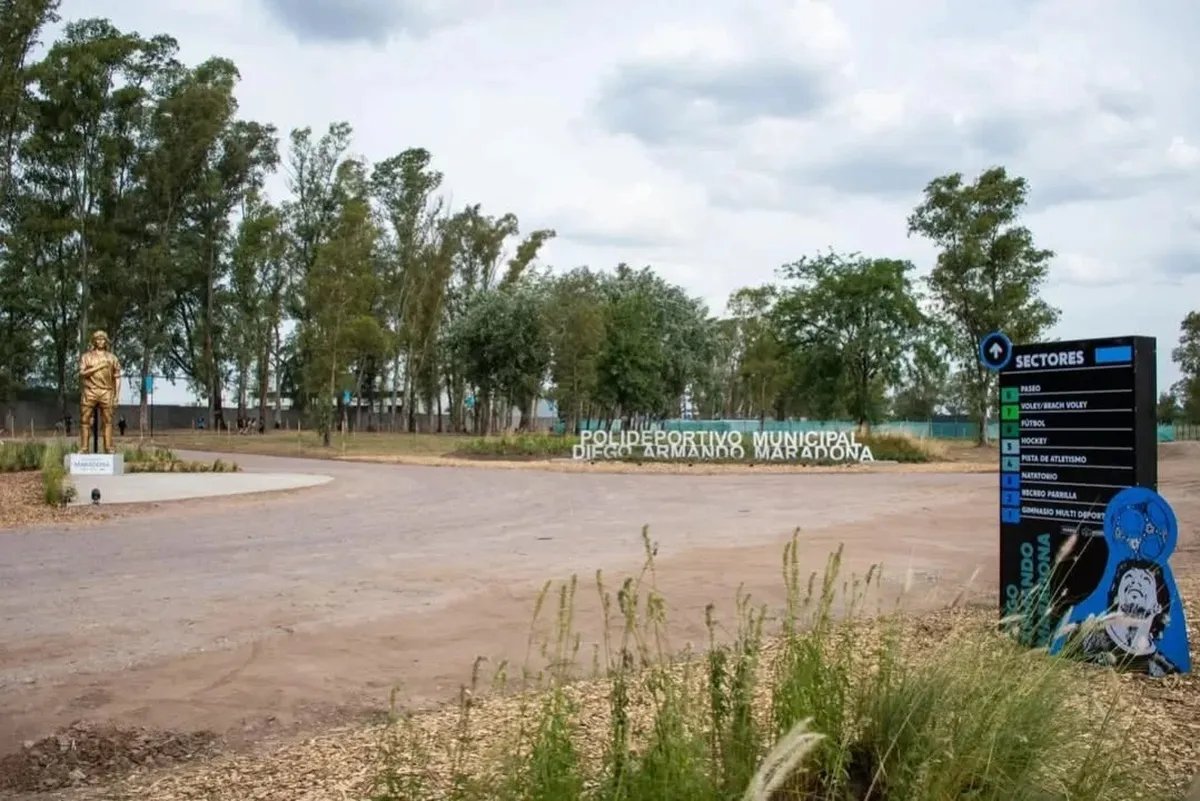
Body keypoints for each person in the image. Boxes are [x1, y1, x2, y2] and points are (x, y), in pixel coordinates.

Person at [78, 330, 121, 453]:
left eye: (103, 339)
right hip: (90, 391)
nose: (100, 341)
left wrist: (116, 396)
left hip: (106, 392)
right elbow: (82, 373)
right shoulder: (86, 357)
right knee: (85, 419)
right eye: (98, 339)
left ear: (106, 341)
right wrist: (98, 367)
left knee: (108, 420)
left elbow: (117, 378)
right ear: (94, 341)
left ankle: (108, 447)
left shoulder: (112, 358)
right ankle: (84, 447)